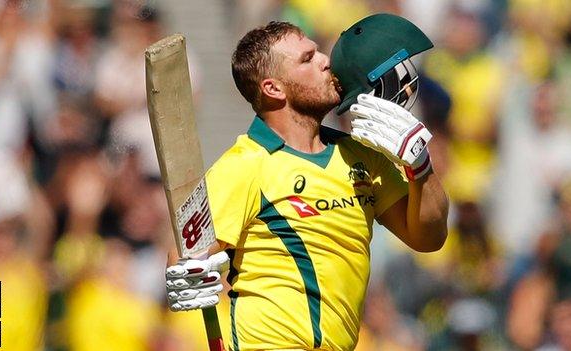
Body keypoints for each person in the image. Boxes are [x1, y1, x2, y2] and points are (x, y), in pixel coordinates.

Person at [165, 14, 449, 351]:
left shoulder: (362, 157)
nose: (327, 61)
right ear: (273, 88)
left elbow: (429, 237)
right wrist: (189, 276)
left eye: (318, 52)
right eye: (308, 58)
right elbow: (185, 257)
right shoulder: (244, 165)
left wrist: (420, 166)